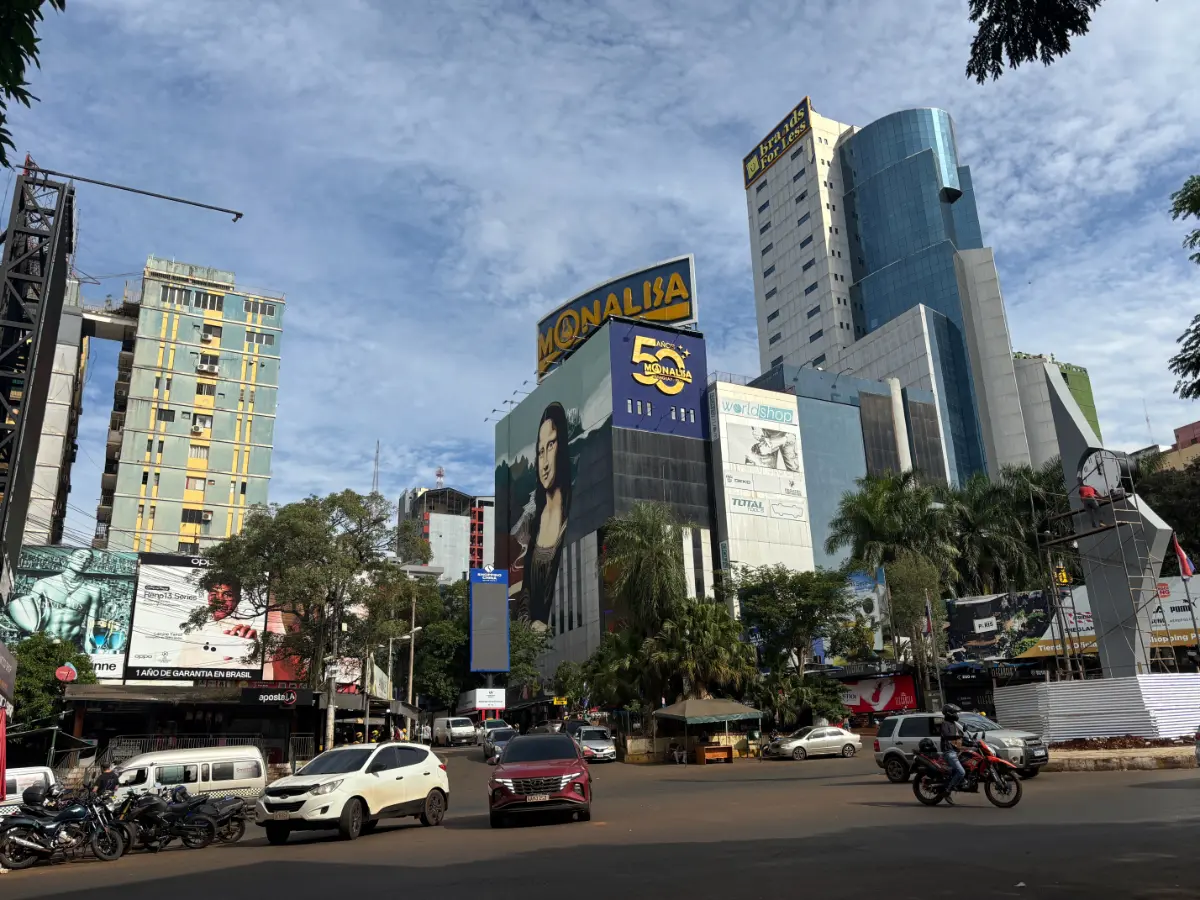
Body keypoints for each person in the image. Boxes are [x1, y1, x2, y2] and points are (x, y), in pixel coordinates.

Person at [512, 402, 572, 627]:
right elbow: (524, 596)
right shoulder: (531, 521)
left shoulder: (573, 514)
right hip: (531, 643)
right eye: (540, 451)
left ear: (562, 446)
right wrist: (530, 626)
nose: (544, 463)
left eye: (551, 445)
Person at [6, 548, 103, 649]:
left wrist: (89, 651)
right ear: (69, 558)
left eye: (88, 560)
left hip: (71, 645)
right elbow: (28, 615)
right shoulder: (43, 584)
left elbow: (91, 626)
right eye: (80, 557)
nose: (83, 561)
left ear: (90, 565)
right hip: (43, 643)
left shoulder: (93, 591)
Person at [939, 703, 966, 806]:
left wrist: (971, 742)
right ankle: (947, 791)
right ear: (949, 713)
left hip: (956, 751)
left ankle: (962, 783)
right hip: (949, 752)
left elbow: (960, 737)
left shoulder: (953, 724)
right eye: (954, 713)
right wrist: (957, 738)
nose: (956, 715)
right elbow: (947, 736)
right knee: (961, 772)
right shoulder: (945, 724)